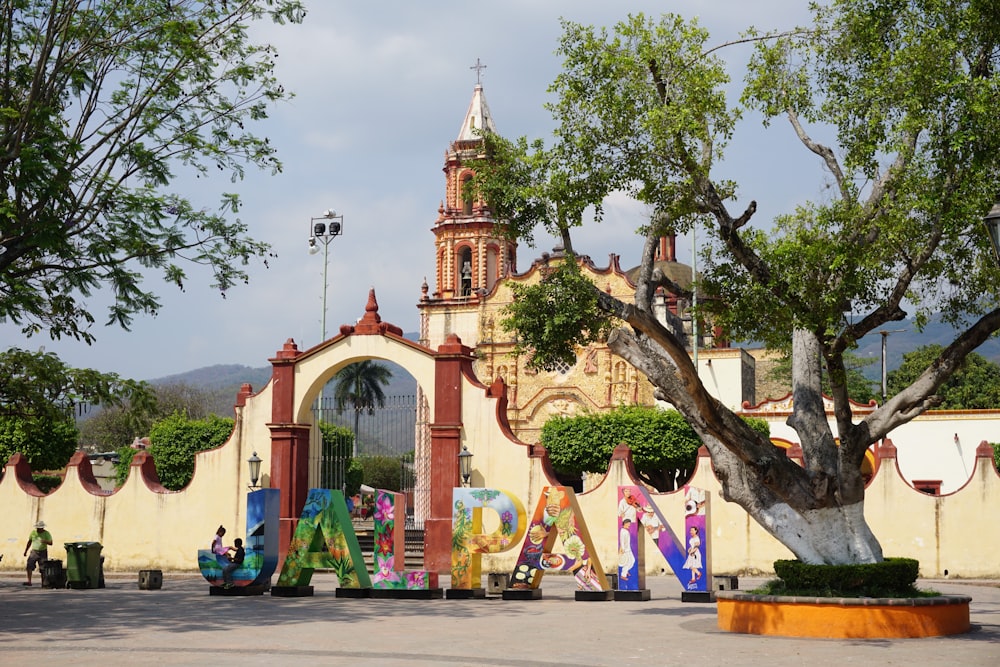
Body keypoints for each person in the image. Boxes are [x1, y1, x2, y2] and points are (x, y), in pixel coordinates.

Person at [23, 520, 53, 586]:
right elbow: (29, 542)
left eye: (40, 528)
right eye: (37, 528)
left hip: (43, 552)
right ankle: (29, 581)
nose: (38, 529)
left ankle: (43, 583)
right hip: (34, 551)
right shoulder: (33, 533)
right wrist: (25, 551)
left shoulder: (46, 533)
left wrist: (45, 541)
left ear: (42, 528)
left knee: (43, 568)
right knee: (29, 565)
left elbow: (51, 543)